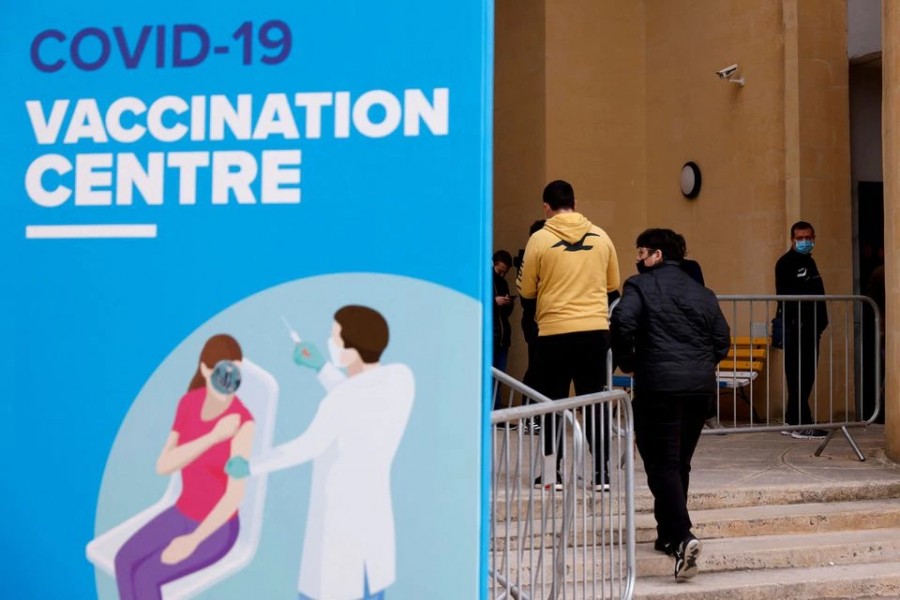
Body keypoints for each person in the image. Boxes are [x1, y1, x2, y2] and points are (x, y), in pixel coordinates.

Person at [226, 305, 414, 600]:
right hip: (372, 525)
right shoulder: (400, 380)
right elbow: (358, 398)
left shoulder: (343, 399)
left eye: (335, 339)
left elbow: (306, 446)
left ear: (352, 349)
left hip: (339, 528)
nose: (331, 344)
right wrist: (321, 368)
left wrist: (249, 466)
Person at [610, 229, 730, 582]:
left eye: (641, 252)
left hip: (659, 387)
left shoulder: (639, 286)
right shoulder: (703, 292)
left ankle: (682, 535)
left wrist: (629, 361)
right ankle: (667, 535)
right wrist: (699, 364)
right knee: (679, 463)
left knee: (661, 463)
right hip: (699, 389)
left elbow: (622, 322)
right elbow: (721, 339)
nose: (638, 258)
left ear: (657, 255)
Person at [115, 334, 255, 600]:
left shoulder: (242, 423)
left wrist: (193, 541)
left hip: (217, 527)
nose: (228, 382)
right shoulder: (188, 403)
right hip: (182, 512)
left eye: (235, 374)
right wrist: (212, 437)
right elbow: (164, 465)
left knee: (147, 576)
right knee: (124, 560)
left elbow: (234, 496)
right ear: (205, 369)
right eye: (221, 372)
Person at [517, 180, 620, 491]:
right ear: (575, 203)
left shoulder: (539, 239)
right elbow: (612, 286)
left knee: (552, 403)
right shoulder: (602, 237)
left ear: (546, 207)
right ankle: (601, 474)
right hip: (595, 332)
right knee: (595, 401)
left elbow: (526, 289)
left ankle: (552, 474)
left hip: (554, 333)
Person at [774, 221, 829, 438]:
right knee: (799, 375)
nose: (805, 241)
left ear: (814, 238)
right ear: (792, 240)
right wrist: (798, 321)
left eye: (808, 237)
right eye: (800, 238)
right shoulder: (786, 263)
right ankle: (801, 422)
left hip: (812, 327)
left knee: (806, 375)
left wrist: (820, 322)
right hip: (797, 326)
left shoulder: (809, 262)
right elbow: (786, 296)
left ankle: (792, 419)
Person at [492, 250, 515, 379]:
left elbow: (507, 313)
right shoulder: (484, 280)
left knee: (500, 378)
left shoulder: (503, 283)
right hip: (491, 336)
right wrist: (495, 302)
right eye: (499, 271)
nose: (502, 275)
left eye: (505, 272)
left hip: (503, 336)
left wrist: (508, 303)